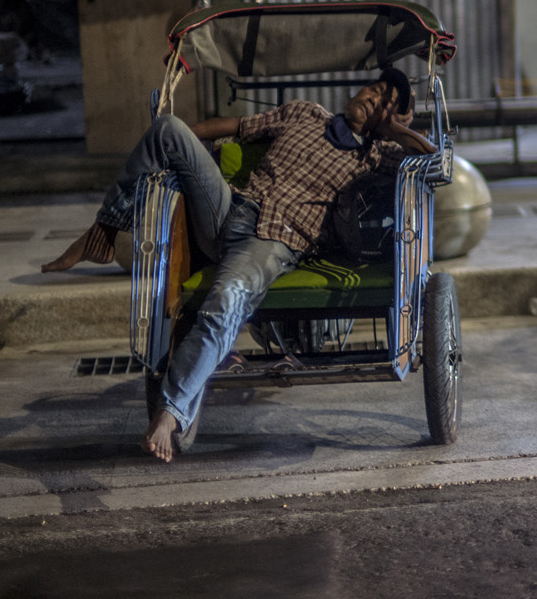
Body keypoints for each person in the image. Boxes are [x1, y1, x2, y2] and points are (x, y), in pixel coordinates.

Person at [41, 69, 436, 463]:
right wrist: (189, 141)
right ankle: (104, 229)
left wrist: (395, 130)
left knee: (227, 300)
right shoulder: (305, 114)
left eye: (385, 103)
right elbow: (236, 126)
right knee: (167, 130)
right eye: (374, 89)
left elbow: (432, 163)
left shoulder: (377, 156)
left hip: (273, 239)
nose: (373, 99)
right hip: (228, 210)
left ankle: (171, 411)